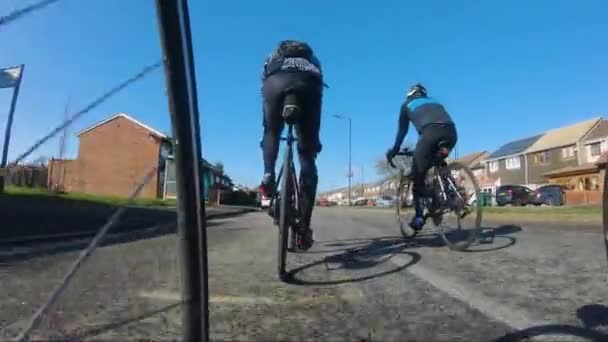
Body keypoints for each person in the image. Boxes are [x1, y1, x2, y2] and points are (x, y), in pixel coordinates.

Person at [258, 40, 324, 250]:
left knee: (271, 131)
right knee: (307, 156)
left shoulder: (272, 58)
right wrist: (314, 141)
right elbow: (319, 92)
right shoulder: (313, 62)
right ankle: (303, 228)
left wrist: (267, 130)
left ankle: (268, 175)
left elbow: (263, 86)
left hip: (274, 84)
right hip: (308, 86)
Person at [386, 83, 458, 231]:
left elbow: (402, 131)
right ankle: (452, 194)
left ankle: (419, 217)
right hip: (451, 133)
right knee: (438, 160)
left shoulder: (407, 104)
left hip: (430, 134)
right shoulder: (435, 101)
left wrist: (395, 149)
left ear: (410, 94)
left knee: (417, 175)